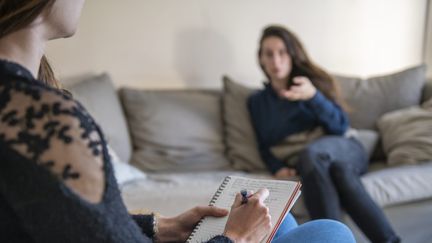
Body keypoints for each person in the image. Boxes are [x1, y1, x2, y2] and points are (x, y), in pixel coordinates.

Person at [0, 1, 356, 242]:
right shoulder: (42, 118)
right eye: (268, 54)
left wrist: (162, 226)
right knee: (330, 233)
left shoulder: (26, 104)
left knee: (286, 222)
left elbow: (74, 227)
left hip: (324, 147)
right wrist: (234, 237)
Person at [248, 25, 401, 243]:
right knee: (340, 172)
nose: (276, 60)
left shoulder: (311, 85)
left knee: (312, 154)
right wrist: (277, 167)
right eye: (269, 54)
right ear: (261, 59)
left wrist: (313, 97)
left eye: (282, 52)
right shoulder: (257, 102)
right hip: (317, 165)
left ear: (292, 54)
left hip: (345, 148)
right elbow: (263, 144)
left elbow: (340, 127)